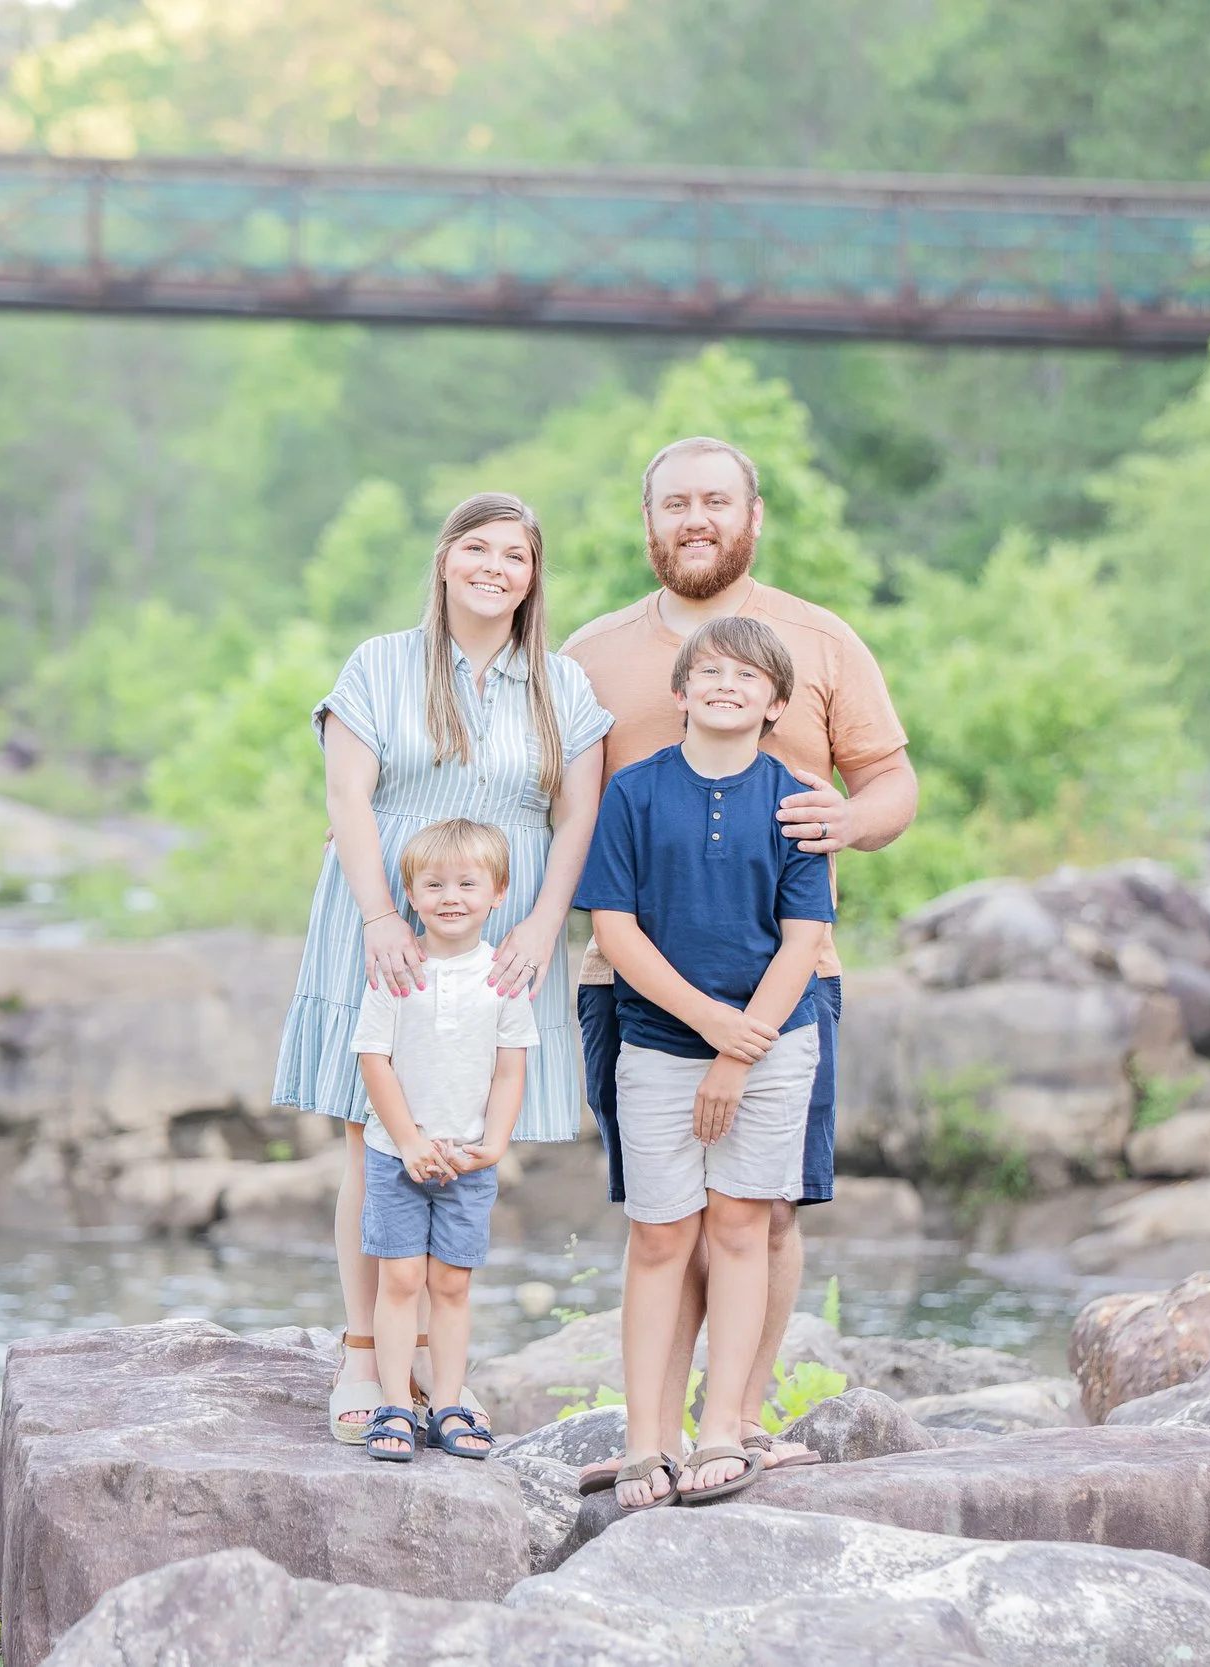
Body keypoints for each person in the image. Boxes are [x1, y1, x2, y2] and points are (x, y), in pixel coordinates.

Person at [562, 436, 916, 1493]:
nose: (696, 518)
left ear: (752, 513)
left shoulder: (817, 638)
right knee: (662, 1214)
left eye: (716, 499)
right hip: (630, 983)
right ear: (650, 521)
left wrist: (847, 823)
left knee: (761, 1208)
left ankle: (739, 1420)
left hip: (788, 976)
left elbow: (892, 781)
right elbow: (545, 797)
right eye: (676, 503)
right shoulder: (588, 653)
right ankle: (651, 1435)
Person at [271, 492, 613, 1444]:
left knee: (462, 1132)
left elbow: (576, 815)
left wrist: (547, 923)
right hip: (383, 919)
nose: (494, 566)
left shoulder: (564, 685)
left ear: (534, 576)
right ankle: (366, 1356)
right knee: (371, 1141)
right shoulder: (380, 664)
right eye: (476, 547)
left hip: (504, 935)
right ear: (445, 559)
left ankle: (441, 1368)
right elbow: (349, 793)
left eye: (515, 553)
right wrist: (381, 915)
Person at [575, 617, 834, 1506]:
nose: (727, 684)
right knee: (659, 1234)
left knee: (739, 1226)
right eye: (710, 670)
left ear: (776, 703)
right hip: (656, 1043)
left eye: (749, 675)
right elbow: (614, 928)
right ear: (680, 692)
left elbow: (805, 939)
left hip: (772, 1044)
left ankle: (723, 1426)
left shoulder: (795, 797)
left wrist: (739, 1048)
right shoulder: (635, 794)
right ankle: (649, 1438)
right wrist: (705, 1024)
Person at [352, 818, 536, 1462]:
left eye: (467, 883)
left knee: (451, 1283)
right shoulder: (396, 970)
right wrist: (406, 1141)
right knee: (400, 1278)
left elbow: (511, 1068)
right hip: (396, 1153)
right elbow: (373, 1060)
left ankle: (451, 1402)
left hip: (466, 1158)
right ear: (411, 894)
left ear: (498, 891)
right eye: (433, 884)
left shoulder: (503, 976)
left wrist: (494, 1144)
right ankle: (395, 1404)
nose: (450, 896)